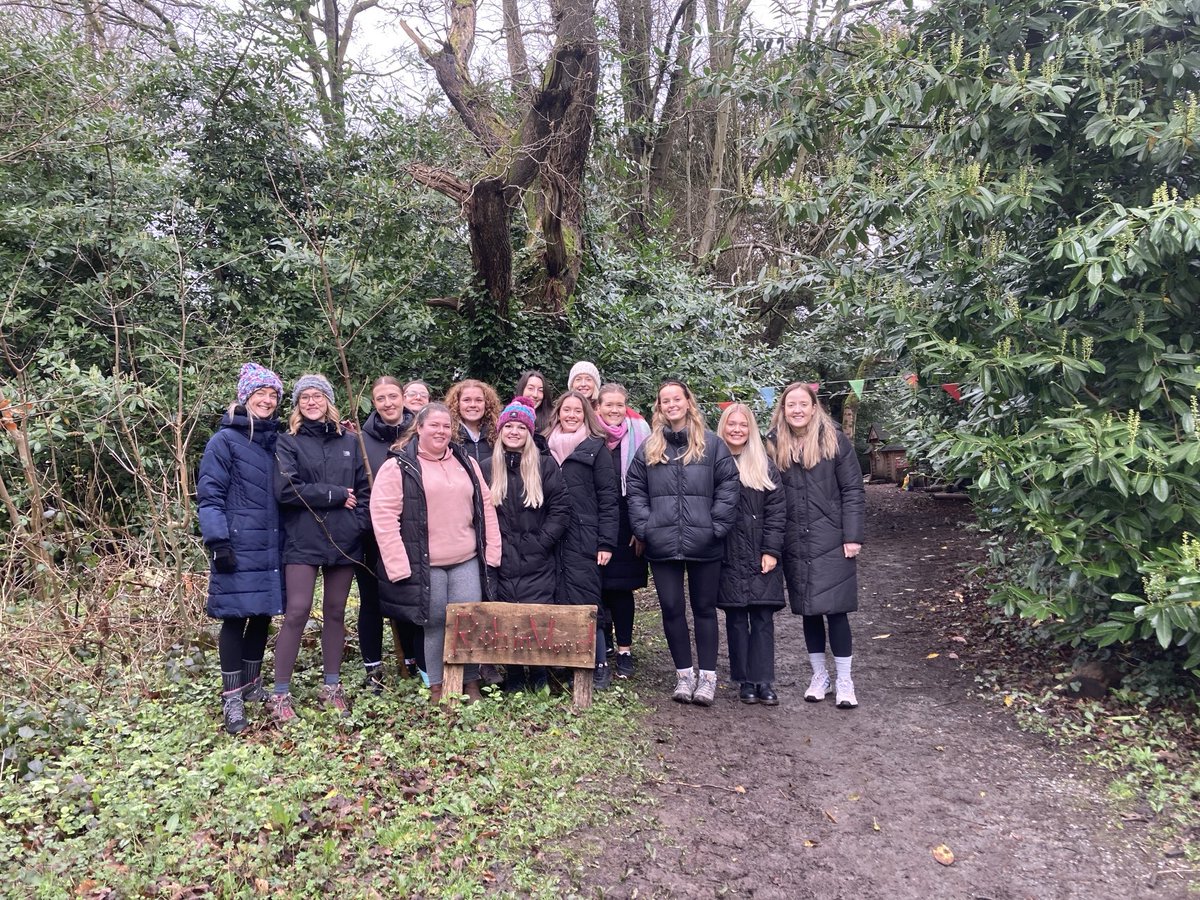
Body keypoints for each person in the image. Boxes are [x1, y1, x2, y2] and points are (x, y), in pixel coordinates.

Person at [370, 403, 501, 703]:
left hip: (465, 558)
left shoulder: (466, 462)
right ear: (419, 428)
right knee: (435, 623)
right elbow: (383, 516)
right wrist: (398, 565)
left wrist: (493, 550)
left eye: (446, 426)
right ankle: (438, 687)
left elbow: (486, 506)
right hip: (426, 563)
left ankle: (470, 682)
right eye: (434, 426)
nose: (441, 431)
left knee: (468, 621)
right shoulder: (399, 465)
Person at [626, 380, 740, 706]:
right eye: (666, 400)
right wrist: (645, 527)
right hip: (662, 543)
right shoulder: (650, 447)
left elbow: (728, 487)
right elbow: (634, 488)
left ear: (688, 402)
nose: (672, 404)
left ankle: (707, 677)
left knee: (704, 609)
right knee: (672, 608)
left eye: (677, 398)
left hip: (704, 543)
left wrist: (715, 527)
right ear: (659, 407)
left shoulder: (712, 445)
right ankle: (683, 674)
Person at [271, 374, 371, 722]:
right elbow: (286, 490)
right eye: (304, 398)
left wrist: (357, 524)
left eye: (317, 396)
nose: (311, 402)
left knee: (335, 612)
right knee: (297, 611)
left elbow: (365, 491)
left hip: (344, 540)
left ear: (328, 401)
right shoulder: (288, 442)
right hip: (303, 539)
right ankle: (280, 694)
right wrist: (335, 494)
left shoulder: (350, 441)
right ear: (297, 406)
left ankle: (332, 686)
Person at [197, 363, 287, 734]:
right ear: (244, 397)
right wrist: (218, 541)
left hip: (271, 545)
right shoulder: (223, 441)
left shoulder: (275, 440)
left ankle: (252, 686)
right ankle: (232, 696)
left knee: (262, 615)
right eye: (259, 394)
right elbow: (210, 494)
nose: (266, 400)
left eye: (272, 395)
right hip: (237, 544)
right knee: (235, 617)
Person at [768, 382, 865, 709]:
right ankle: (819, 675)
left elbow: (852, 489)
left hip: (832, 538)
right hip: (794, 539)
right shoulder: (774, 444)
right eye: (790, 405)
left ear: (813, 407)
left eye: (802, 404)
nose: (796, 410)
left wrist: (852, 535)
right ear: (783, 409)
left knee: (836, 612)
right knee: (808, 610)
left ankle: (845, 680)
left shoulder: (835, 440)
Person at [489, 397, 572, 691]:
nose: (513, 432)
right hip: (501, 556)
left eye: (520, 427)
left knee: (536, 613)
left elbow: (560, 511)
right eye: (508, 426)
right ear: (500, 431)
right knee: (507, 614)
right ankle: (512, 673)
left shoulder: (546, 466)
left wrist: (540, 542)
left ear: (529, 432)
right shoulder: (488, 467)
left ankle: (538, 672)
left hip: (537, 555)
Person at [546, 390, 620, 689]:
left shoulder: (595, 447)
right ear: (558, 413)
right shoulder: (542, 446)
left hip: (585, 536)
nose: (572, 415)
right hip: (552, 535)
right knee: (556, 598)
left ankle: (599, 663)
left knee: (587, 597)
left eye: (578, 410)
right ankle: (564, 662)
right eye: (567, 410)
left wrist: (606, 542)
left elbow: (609, 498)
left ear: (586, 414)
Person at [716, 403, 787, 706]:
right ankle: (744, 679)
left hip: (760, 552)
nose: (737, 430)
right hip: (727, 553)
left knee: (761, 617)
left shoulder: (764, 464)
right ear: (723, 427)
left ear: (751, 429)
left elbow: (777, 510)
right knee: (735, 618)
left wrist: (771, 549)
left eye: (743, 425)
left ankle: (763, 680)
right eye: (731, 424)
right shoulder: (714, 461)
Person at [357, 376, 424, 690]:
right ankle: (373, 667)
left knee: (409, 595)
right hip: (371, 535)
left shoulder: (419, 433)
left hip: (412, 533)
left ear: (403, 398)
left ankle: (412, 659)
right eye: (380, 398)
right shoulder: (360, 439)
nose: (388, 403)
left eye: (392, 396)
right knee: (371, 600)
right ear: (374, 402)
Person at [596, 383, 650, 678]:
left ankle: (625, 649)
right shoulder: (591, 436)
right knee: (599, 586)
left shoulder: (640, 435)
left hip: (629, 521)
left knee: (622, 588)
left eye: (619, 405)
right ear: (598, 407)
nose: (614, 410)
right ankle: (601, 645)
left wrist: (640, 526)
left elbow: (649, 483)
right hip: (599, 521)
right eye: (608, 405)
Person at [446, 379, 501, 463]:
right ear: (457, 404)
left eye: (479, 400)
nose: (473, 405)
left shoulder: (498, 434)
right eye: (466, 400)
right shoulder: (448, 435)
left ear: (487, 404)